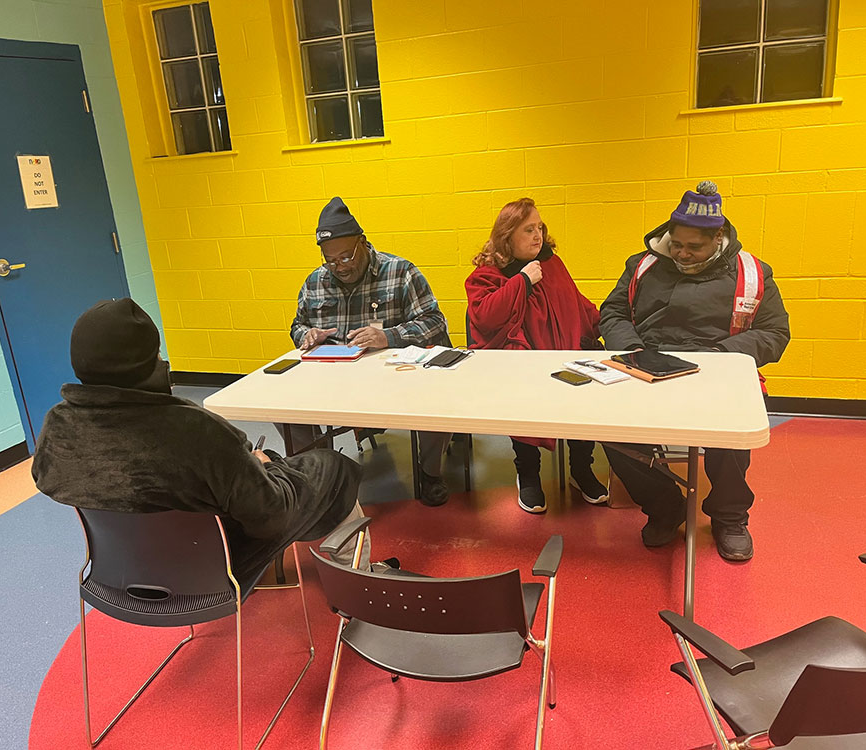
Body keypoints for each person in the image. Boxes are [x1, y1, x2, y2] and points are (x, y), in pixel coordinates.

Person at [32, 298, 383, 584]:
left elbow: (51, 480)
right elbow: (269, 518)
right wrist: (264, 472)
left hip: (119, 575)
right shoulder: (195, 431)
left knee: (262, 465)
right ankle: (360, 583)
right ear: (146, 362)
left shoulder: (58, 425)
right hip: (215, 570)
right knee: (331, 467)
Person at [598, 181, 790, 561]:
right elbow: (613, 313)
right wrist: (636, 350)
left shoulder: (753, 273)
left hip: (719, 370)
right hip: (647, 367)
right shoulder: (643, 265)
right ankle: (664, 507)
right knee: (605, 427)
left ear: (717, 237)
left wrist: (721, 354)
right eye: (676, 244)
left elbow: (775, 333)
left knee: (734, 431)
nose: (682, 254)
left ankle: (729, 516)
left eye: (693, 247)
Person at [288, 196, 453, 507]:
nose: (340, 267)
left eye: (346, 257)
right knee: (284, 409)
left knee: (437, 401)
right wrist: (306, 335)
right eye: (331, 260)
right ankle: (316, 474)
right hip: (336, 381)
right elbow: (297, 325)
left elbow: (434, 321)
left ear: (363, 243)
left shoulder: (400, 272)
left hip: (396, 379)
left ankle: (429, 472)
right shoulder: (315, 282)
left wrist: (387, 337)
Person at [465, 197, 610, 514]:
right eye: (528, 229)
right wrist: (522, 281)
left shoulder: (552, 264)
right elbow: (484, 316)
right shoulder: (487, 274)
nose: (537, 236)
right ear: (507, 236)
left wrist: (609, 322)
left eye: (540, 228)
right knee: (523, 402)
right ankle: (528, 474)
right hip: (520, 368)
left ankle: (581, 470)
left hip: (564, 360)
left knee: (582, 399)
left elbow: (576, 304)